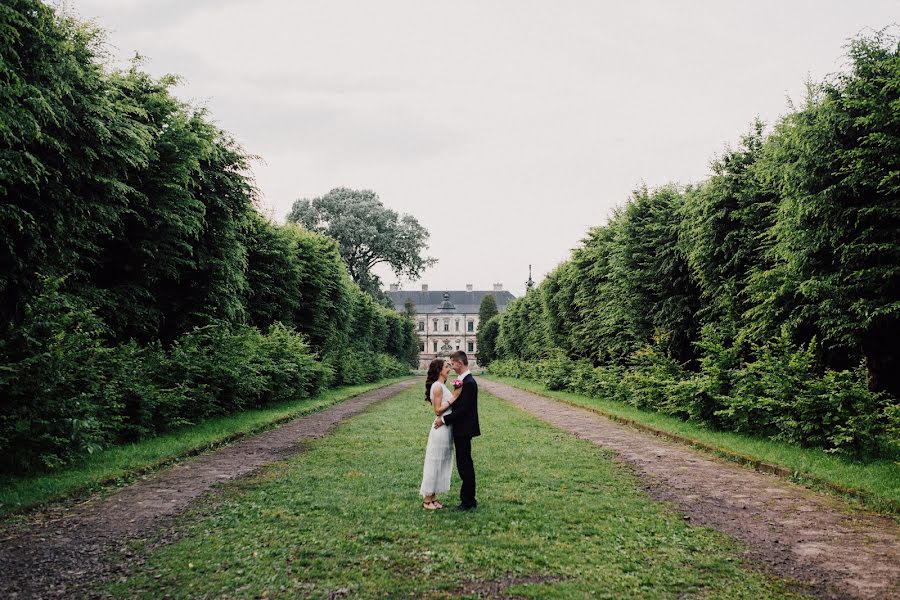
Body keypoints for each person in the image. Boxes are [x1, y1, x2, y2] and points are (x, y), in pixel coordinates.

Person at [433, 350, 480, 510]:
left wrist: (443, 420)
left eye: (452, 364)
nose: (451, 367)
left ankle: (468, 501)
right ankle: (469, 499)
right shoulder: (464, 381)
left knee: (465, 465)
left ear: (459, 363)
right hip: (462, 428)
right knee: (464, 464)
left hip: (464, 429)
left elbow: (463, 410)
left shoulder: (469, 382)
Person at [420, 358, 462, 509]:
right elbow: (437, 410)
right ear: (439, 370)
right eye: (446, 367)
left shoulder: (441, 385)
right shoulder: (437, 386)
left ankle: (433, 497)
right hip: (440, 430)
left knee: (441, 462)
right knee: (434, 462)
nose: (449, 369)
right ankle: (427, 500)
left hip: (446, 428)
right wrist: (454, 398)